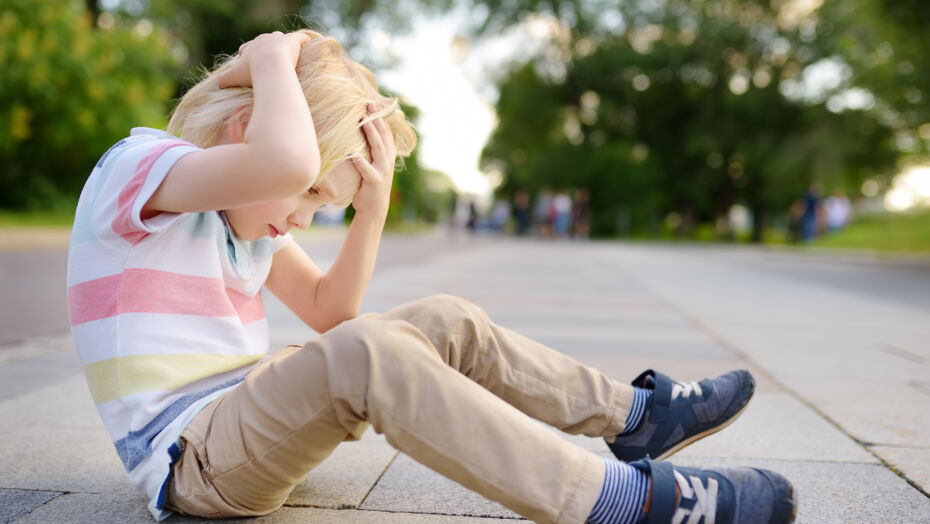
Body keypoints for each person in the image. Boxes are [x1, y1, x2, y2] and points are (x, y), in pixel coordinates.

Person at [66, 29, 796, 524]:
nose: (309, 217)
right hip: (193, 463)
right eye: (316, 195)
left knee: (439, 318)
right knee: (370, 354)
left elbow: (330, 309)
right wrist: (268, 59)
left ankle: (636, 418)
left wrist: (371, 211)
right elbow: (285, 167)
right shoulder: (136, 173)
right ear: (244, 131)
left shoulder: (240, 223)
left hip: (247, 420)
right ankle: (613, 503)